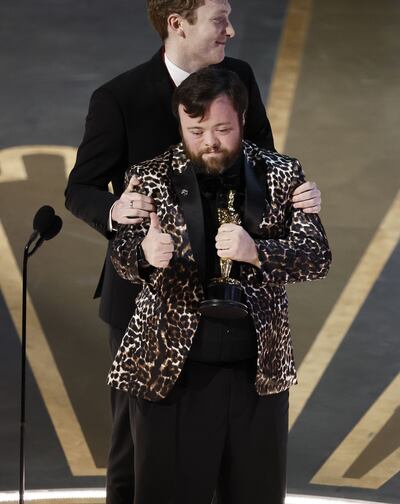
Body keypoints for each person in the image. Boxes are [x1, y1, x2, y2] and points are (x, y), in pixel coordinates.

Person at [65, 1, 322, 502]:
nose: (232, 29)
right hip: (147, 295)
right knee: (134, 452)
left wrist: (301, 199)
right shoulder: (120, 96)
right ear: (177, 24)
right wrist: (123, 211)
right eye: (219, 18)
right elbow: (81, 189)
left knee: (237, 453)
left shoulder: (238, 75)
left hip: (235, 295)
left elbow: (263, 158)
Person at [108, 67, 331, 504]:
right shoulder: (150, 176)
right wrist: (145, 256)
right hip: (171, 375)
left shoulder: (282, 174)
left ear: (243, 120)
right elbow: (122, 254)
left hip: (257, 375)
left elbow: (317, 256)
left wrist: (258, 252)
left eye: (222, 129)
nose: (209, 141)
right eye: (196, 130)